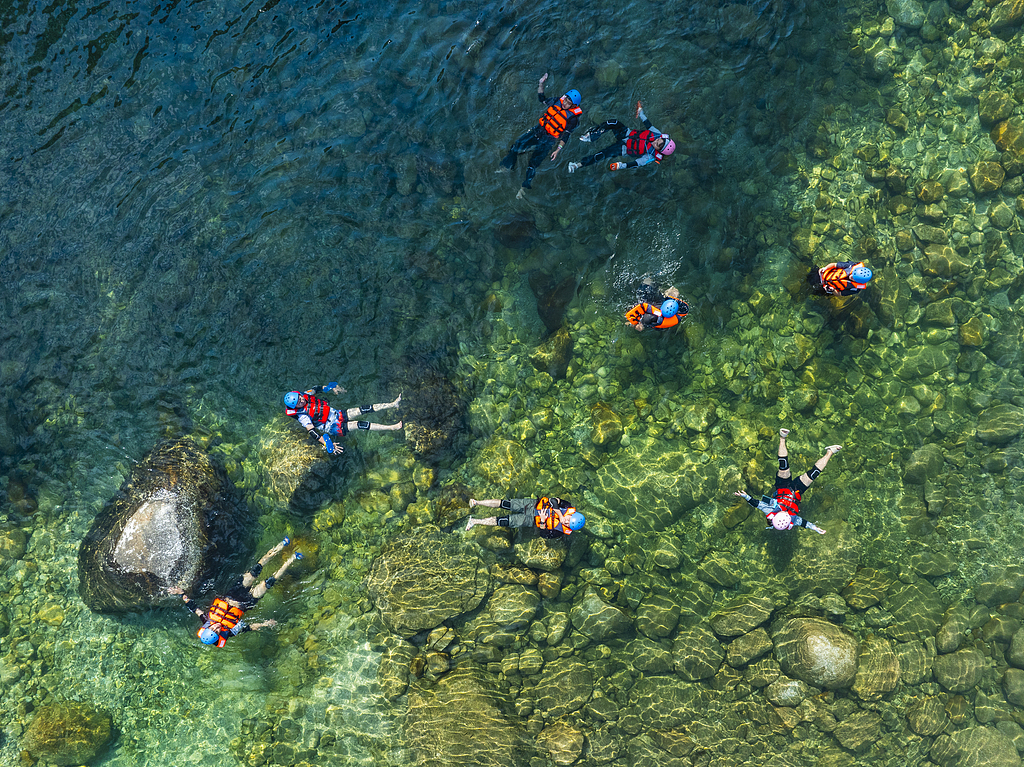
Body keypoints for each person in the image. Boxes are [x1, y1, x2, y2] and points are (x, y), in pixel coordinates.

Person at [168, 538, 302, 648]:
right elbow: (249, 627)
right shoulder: (230, 632)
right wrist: (265, 624)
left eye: (213, 628)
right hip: (246, 603)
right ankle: (290, 560)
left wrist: (181, 593)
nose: (217, 627)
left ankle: (280, 546)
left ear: (208, 627)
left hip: (232, 593)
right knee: (269, 582)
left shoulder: (206, 620)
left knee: (256, 569)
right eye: (217, 631)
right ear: (219, 635)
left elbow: (193, 607)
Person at [733, 428, 841, 535]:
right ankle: (830, 451)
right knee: (813, 474)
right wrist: (815, 528)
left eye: (784, 513)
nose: (785, 512)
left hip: (782, 487)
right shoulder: (792, 520)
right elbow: (803, 523)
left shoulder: (770, 510)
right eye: (787, 515)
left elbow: (756, 503)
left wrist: (745, 496)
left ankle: (782, 437)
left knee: (784, 465)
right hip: (796, 491)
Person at [500, 73, 583, 198]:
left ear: (574, 105)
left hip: (548, 140)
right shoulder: (556, 101)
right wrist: (541, 83)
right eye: (566, 99)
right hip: (537, 130)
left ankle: (524, 187)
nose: (565, 103)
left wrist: (557, 150)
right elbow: (541, 99)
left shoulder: (573, 119)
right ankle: (507, 167)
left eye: (569, 103)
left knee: (533, 164)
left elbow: (566, 135)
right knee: (515, 146)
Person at [283, 383, 402, 454]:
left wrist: (331, 388)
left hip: (336, 413)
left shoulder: (306, 395)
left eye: (300, 398)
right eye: (299, 402)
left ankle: (393, 404)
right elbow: (312, 432)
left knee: (363, 409)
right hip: (332, 426)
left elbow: (318, 388)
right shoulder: (302, 416)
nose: (302, 400)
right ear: (295, 407)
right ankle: (392, 428)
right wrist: (326, 443)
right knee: (360, 424)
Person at [568, 100, 675, 174]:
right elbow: (647, 124)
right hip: (626, 133)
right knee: (613, 122)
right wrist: (640, 112)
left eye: (657, 145)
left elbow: (636, 163)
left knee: (602, 154)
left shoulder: (650, 156)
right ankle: (591, 135)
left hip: (623, 147)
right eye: (659, 140)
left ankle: (577, 165)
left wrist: (621, 165)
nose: (655, 142)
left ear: (659, 151)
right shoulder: (657, 134)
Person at [465, 496, 585, 539]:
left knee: (504, 521)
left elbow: (543, 534)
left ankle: (474, 521)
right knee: (506, 504)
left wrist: (543, 521)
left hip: (530, 520)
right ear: (572, 515)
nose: (566, 521)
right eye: (569, 519)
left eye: (568, 524)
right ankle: (477, 502)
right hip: (532, 504)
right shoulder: (567, 506)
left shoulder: (559, 532)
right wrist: (560, 515)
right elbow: (553, 500)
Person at [807, 261, 872, 296]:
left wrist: (832, 290)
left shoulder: (855, 289)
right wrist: (825, 268)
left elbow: (839, 294)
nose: (851, 276)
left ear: (858, 282)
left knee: (810, 292)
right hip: (823, 275)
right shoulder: (851, 266)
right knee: (808, 276)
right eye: (853, 274)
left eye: (854, 278)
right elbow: (834, 265)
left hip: (828, 288)